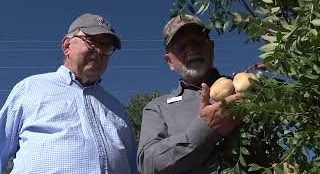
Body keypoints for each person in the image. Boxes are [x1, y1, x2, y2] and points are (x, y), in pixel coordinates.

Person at [0, 13, 137, 174]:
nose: (99, 50)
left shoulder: (117, 109)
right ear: (67, 46)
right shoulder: (30, 88)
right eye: (92, 41)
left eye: (106, 46)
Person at [137, 14, 242, 174]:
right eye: (181, 46)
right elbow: (148, 165)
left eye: (197, 42)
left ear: (211, 47)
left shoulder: (243, 87)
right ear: (169, 62)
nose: (191, 49)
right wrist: (205, 129)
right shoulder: (158, 108)